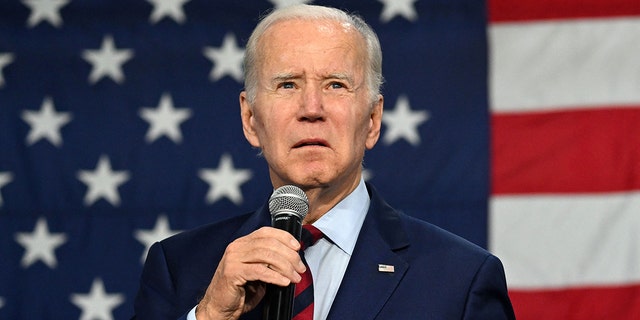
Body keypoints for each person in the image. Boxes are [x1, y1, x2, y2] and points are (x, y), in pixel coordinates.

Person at [133, 4, 515, 320]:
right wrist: (210, 315)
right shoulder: (179, 269)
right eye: (287, 84)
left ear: (372, 120)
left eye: (335, 84)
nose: (311, 109)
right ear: (251, 119)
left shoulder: (460, 281)